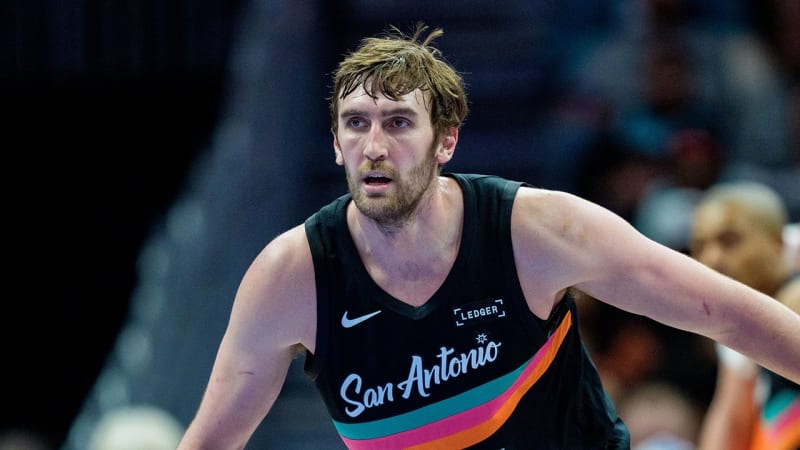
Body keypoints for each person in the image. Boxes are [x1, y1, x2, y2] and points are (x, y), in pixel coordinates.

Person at [177, 24, 800, 449]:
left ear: (446, 140)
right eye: (356, 124)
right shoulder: (292, 277)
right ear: (336, 144)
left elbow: (725, 312)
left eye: (399, 123)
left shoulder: (535, 230)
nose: (374, 146)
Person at [689, 181, 800, 450]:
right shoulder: (738, 303)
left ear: (777, 241)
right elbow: (731, 414)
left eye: (730, 241)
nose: (712, 259)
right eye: (700, 246)